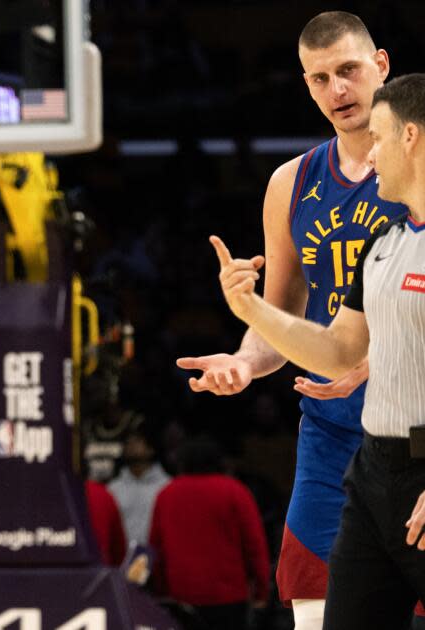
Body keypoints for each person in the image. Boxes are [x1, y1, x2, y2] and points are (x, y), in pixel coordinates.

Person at [176, 12, 408, 629]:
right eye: (319, 78)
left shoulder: (415, 172)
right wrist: (245, 360)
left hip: (413, 426)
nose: (338, 91)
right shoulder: (292, 182)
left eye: (349, 71)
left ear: (381, 64)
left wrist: (371, 365)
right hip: (331, 433)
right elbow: (281, 313)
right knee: (314, 610)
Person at [149, 437, 269, 630]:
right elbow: (255, 546)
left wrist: (161, 591)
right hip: (229, 597)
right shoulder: (235, 491)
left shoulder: (166, 494)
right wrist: (261, 591)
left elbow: (155, 548)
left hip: (180, 595)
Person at [107, 426, 170, 546]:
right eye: (128, 443)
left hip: (155, 557)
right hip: (121, 559)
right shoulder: (113, 488)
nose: (131, 446)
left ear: (151, 449)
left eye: (137, 441)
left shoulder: (166, 487)